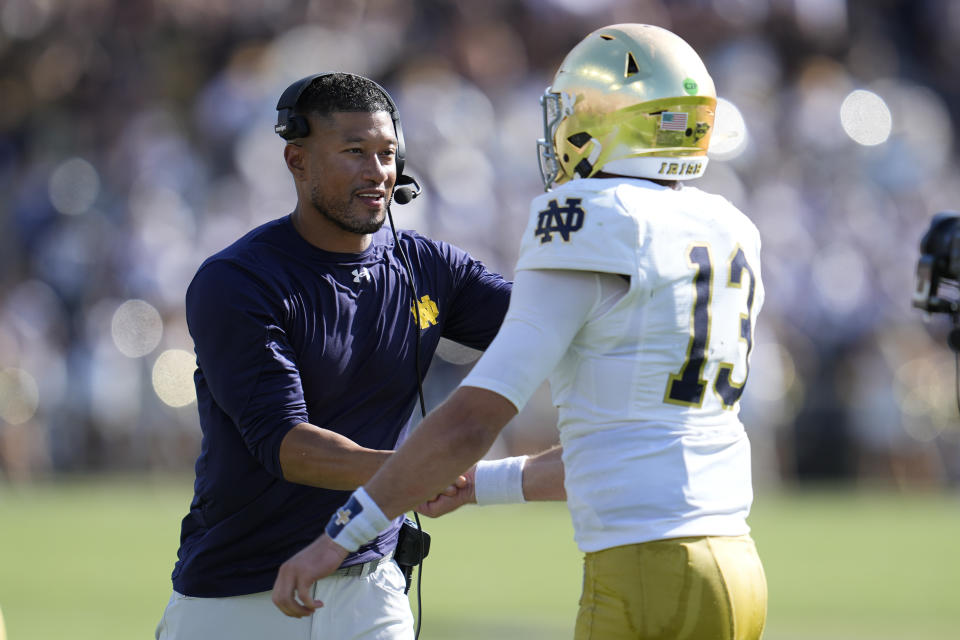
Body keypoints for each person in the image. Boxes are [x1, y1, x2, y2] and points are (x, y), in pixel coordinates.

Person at [271, 24, 768, 640]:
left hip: (647, 567)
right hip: (735, 563)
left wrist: (339, 537)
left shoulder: (594, 218)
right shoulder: (726, 225)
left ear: (606, 121)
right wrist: (479, 485)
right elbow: (623, 447)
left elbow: (473, 419)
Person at [155, 72, 512, 640]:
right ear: (297, 161)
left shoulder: (432, 267)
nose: (377, 173)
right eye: (354, 152)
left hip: (372, 587)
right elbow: (289, 447)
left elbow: (544, 329)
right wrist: (416, 470)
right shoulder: (238, 280)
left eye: (387, 153)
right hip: (239, 593)